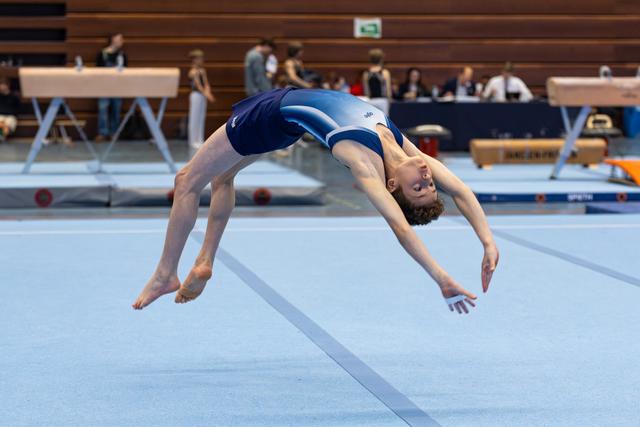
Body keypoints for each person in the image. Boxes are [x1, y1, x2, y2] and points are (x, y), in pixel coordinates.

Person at [132, 88, 500, 314]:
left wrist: (442, 278)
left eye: (419, 188)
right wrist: (487, 241)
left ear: (391, 185)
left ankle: (166, 274)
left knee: (185, 181)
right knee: (222, 176)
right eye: (430, 183)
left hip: (269, 115)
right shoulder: (404, 148)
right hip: (285, 121)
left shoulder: (362, 161)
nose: (425, 176)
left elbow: (400, 228)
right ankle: (204, 260)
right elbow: (463, 192)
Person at [95, 33, 127, 142]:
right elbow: (97, 70)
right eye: (119, 39)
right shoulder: (102, 54)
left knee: (116, 111)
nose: (122, 42)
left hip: (117, 87)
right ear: (113, 40)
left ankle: (114, 133)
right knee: (103, 109)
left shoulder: (122, 55)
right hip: (104, 86)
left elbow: (126, 71)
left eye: (122, 40)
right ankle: (102, 132)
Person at [187, 49, 215, 150]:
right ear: (194, 60)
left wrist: (208, 92)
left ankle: (199, 139)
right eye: (199, 59)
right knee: (194, 118)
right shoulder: (192, 72)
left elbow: (206, 83)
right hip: (196, 95)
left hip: (203, 95)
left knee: (201, 117)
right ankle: (193, 141)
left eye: (202, 58)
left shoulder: (202, 70)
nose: (201, 60)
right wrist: (207, 94)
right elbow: (198, 85)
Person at [0, 77, 20, 142]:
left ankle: (1, 136)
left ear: (7, 85)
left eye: (3, 84)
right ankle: (1, 136)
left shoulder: (14, 96)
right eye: (1, 84)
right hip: (1, 115)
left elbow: (18, 109)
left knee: (8, 123)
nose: (2, 86)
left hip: (11, 116)